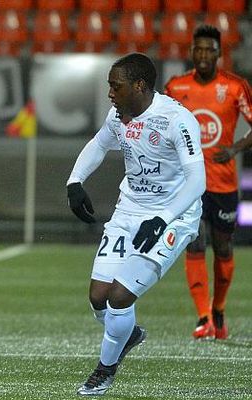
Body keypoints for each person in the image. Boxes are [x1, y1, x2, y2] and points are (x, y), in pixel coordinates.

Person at [66, 53, 205, 396]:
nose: (110, 93)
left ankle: (105, 369)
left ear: (139, 85)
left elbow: (197, 180)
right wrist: (75, 181)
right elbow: (99, 144)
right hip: (129, 212)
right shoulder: (119, 116)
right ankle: (127, 334)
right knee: (98, 297)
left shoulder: (177, 120)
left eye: (116, 86)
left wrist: (162, 218)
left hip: (173, 216)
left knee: (119, 296)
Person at [165, 24, 252, 340]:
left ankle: (219, 309)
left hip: (223, 184)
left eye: (209, 50)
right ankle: (203, 317)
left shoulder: (234, 87)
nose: (202, 55)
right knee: (194, 242)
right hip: (188, 184)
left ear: (218, 53)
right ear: (191, 52)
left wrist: (234, 149)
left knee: (224, 247)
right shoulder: (175, 87)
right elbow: (162, 126)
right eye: (197, 49)